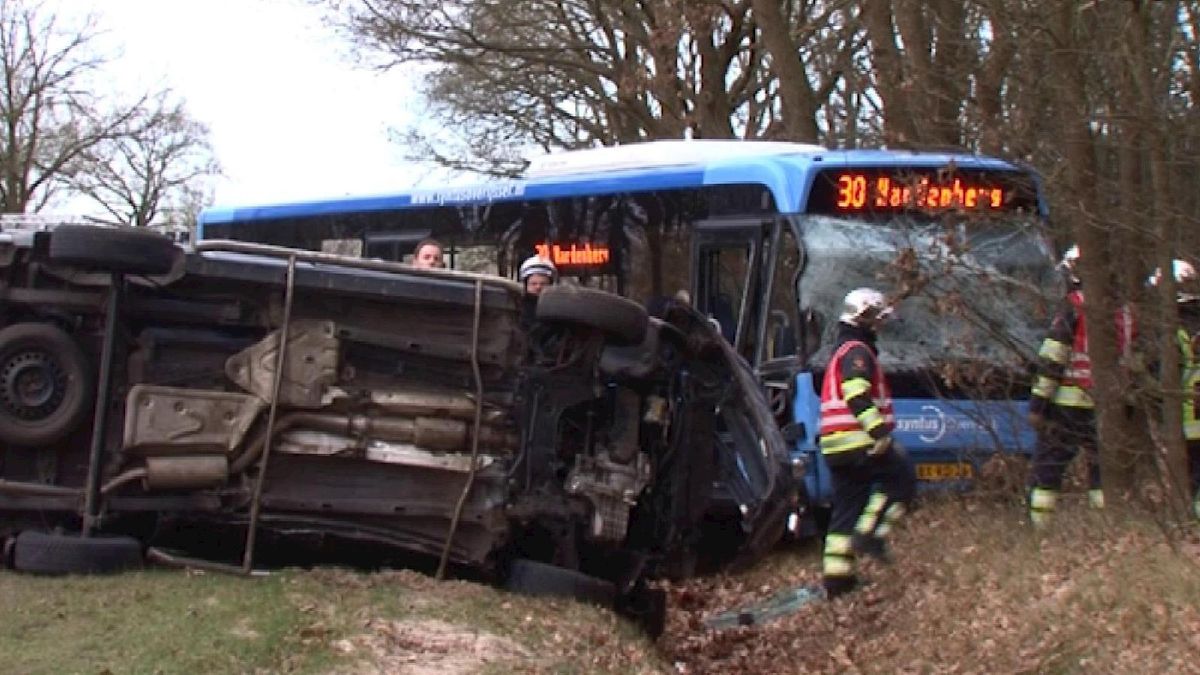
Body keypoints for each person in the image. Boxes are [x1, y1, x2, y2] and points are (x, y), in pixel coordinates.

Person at [1026, 244, 1135, 526]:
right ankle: (1104, 529)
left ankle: (1039, 530)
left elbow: (1053, 359)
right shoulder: (1125, 313)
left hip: (1067, 405)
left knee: (1048, 468)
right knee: (1101, 469)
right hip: (1109, 404)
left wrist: (1038, 404)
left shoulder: (1074, 307)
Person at [819, 287, 916, 599]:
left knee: (846, 510)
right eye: (878, 319)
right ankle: (870, 535)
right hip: (858, 442)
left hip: (836, 447)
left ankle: (838, 582)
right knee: (901, 480)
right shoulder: (857, 351)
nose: (881, 326)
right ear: (865, 318)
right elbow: (857, 394)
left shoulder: (842, 348)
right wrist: (879, 434)